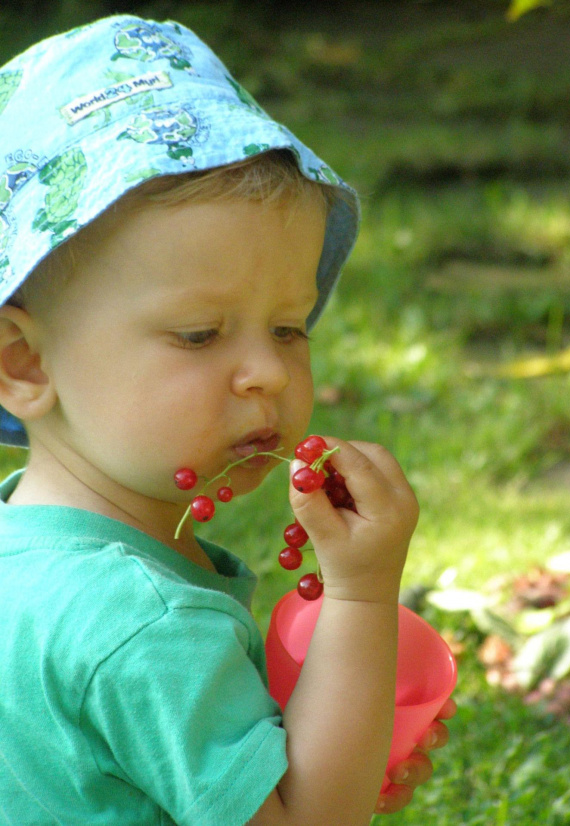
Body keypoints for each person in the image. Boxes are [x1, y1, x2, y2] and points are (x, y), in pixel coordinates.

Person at [0, 15, 455, 825]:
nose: (271, 372)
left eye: (290, 328)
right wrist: (359, 592)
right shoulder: (144, 622)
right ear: (25, 364)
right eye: (200, 334)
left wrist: (332, 739)